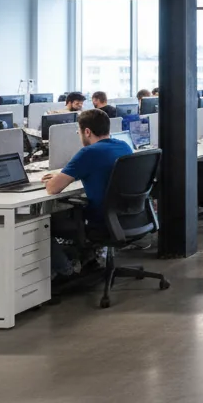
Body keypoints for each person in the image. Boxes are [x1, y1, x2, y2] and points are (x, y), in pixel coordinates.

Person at [42, 109, 135, 279]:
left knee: (44, 224)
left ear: (87, 131)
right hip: (128, 216)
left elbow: (52, 189)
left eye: (79, 132)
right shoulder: (123, 146)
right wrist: (67, 174)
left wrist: (57, 178)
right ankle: (89, 260)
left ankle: (66, 271)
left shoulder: (88, 153)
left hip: (101, 220)